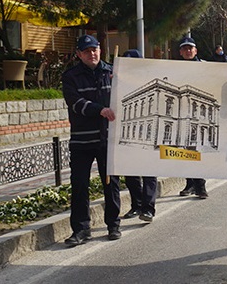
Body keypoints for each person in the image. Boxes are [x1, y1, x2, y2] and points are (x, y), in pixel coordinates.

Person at [62, 35, 121, 246]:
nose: (92, 54)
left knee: (110, 183)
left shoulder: (113, 72)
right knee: (79, 185)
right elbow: (76, 103)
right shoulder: (70, 76)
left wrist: (121, 84)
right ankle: (81, 229)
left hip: (107, 139)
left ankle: (113, 224)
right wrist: (100, 110)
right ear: (79, 54)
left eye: (95, 49)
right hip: (81, 141)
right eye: (87, 51)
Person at [119, 49, 158, 223]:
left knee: (149, 171)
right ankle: (137, 205)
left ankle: (148, 209)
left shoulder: (149, 79)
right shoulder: (118, 82)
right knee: (130, 173)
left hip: (149, 134)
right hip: (128, 133)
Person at [177, 36, 209, 199]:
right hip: (182, 115)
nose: (188, 51)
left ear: (195, 50)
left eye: (191, 48)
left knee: (197, 150)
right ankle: (190, 184)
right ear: (181, 52)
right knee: (185, 150)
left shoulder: (204, 66)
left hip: (199, 116)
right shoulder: (175, 68)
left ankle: (200, 186)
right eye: (185, 48)